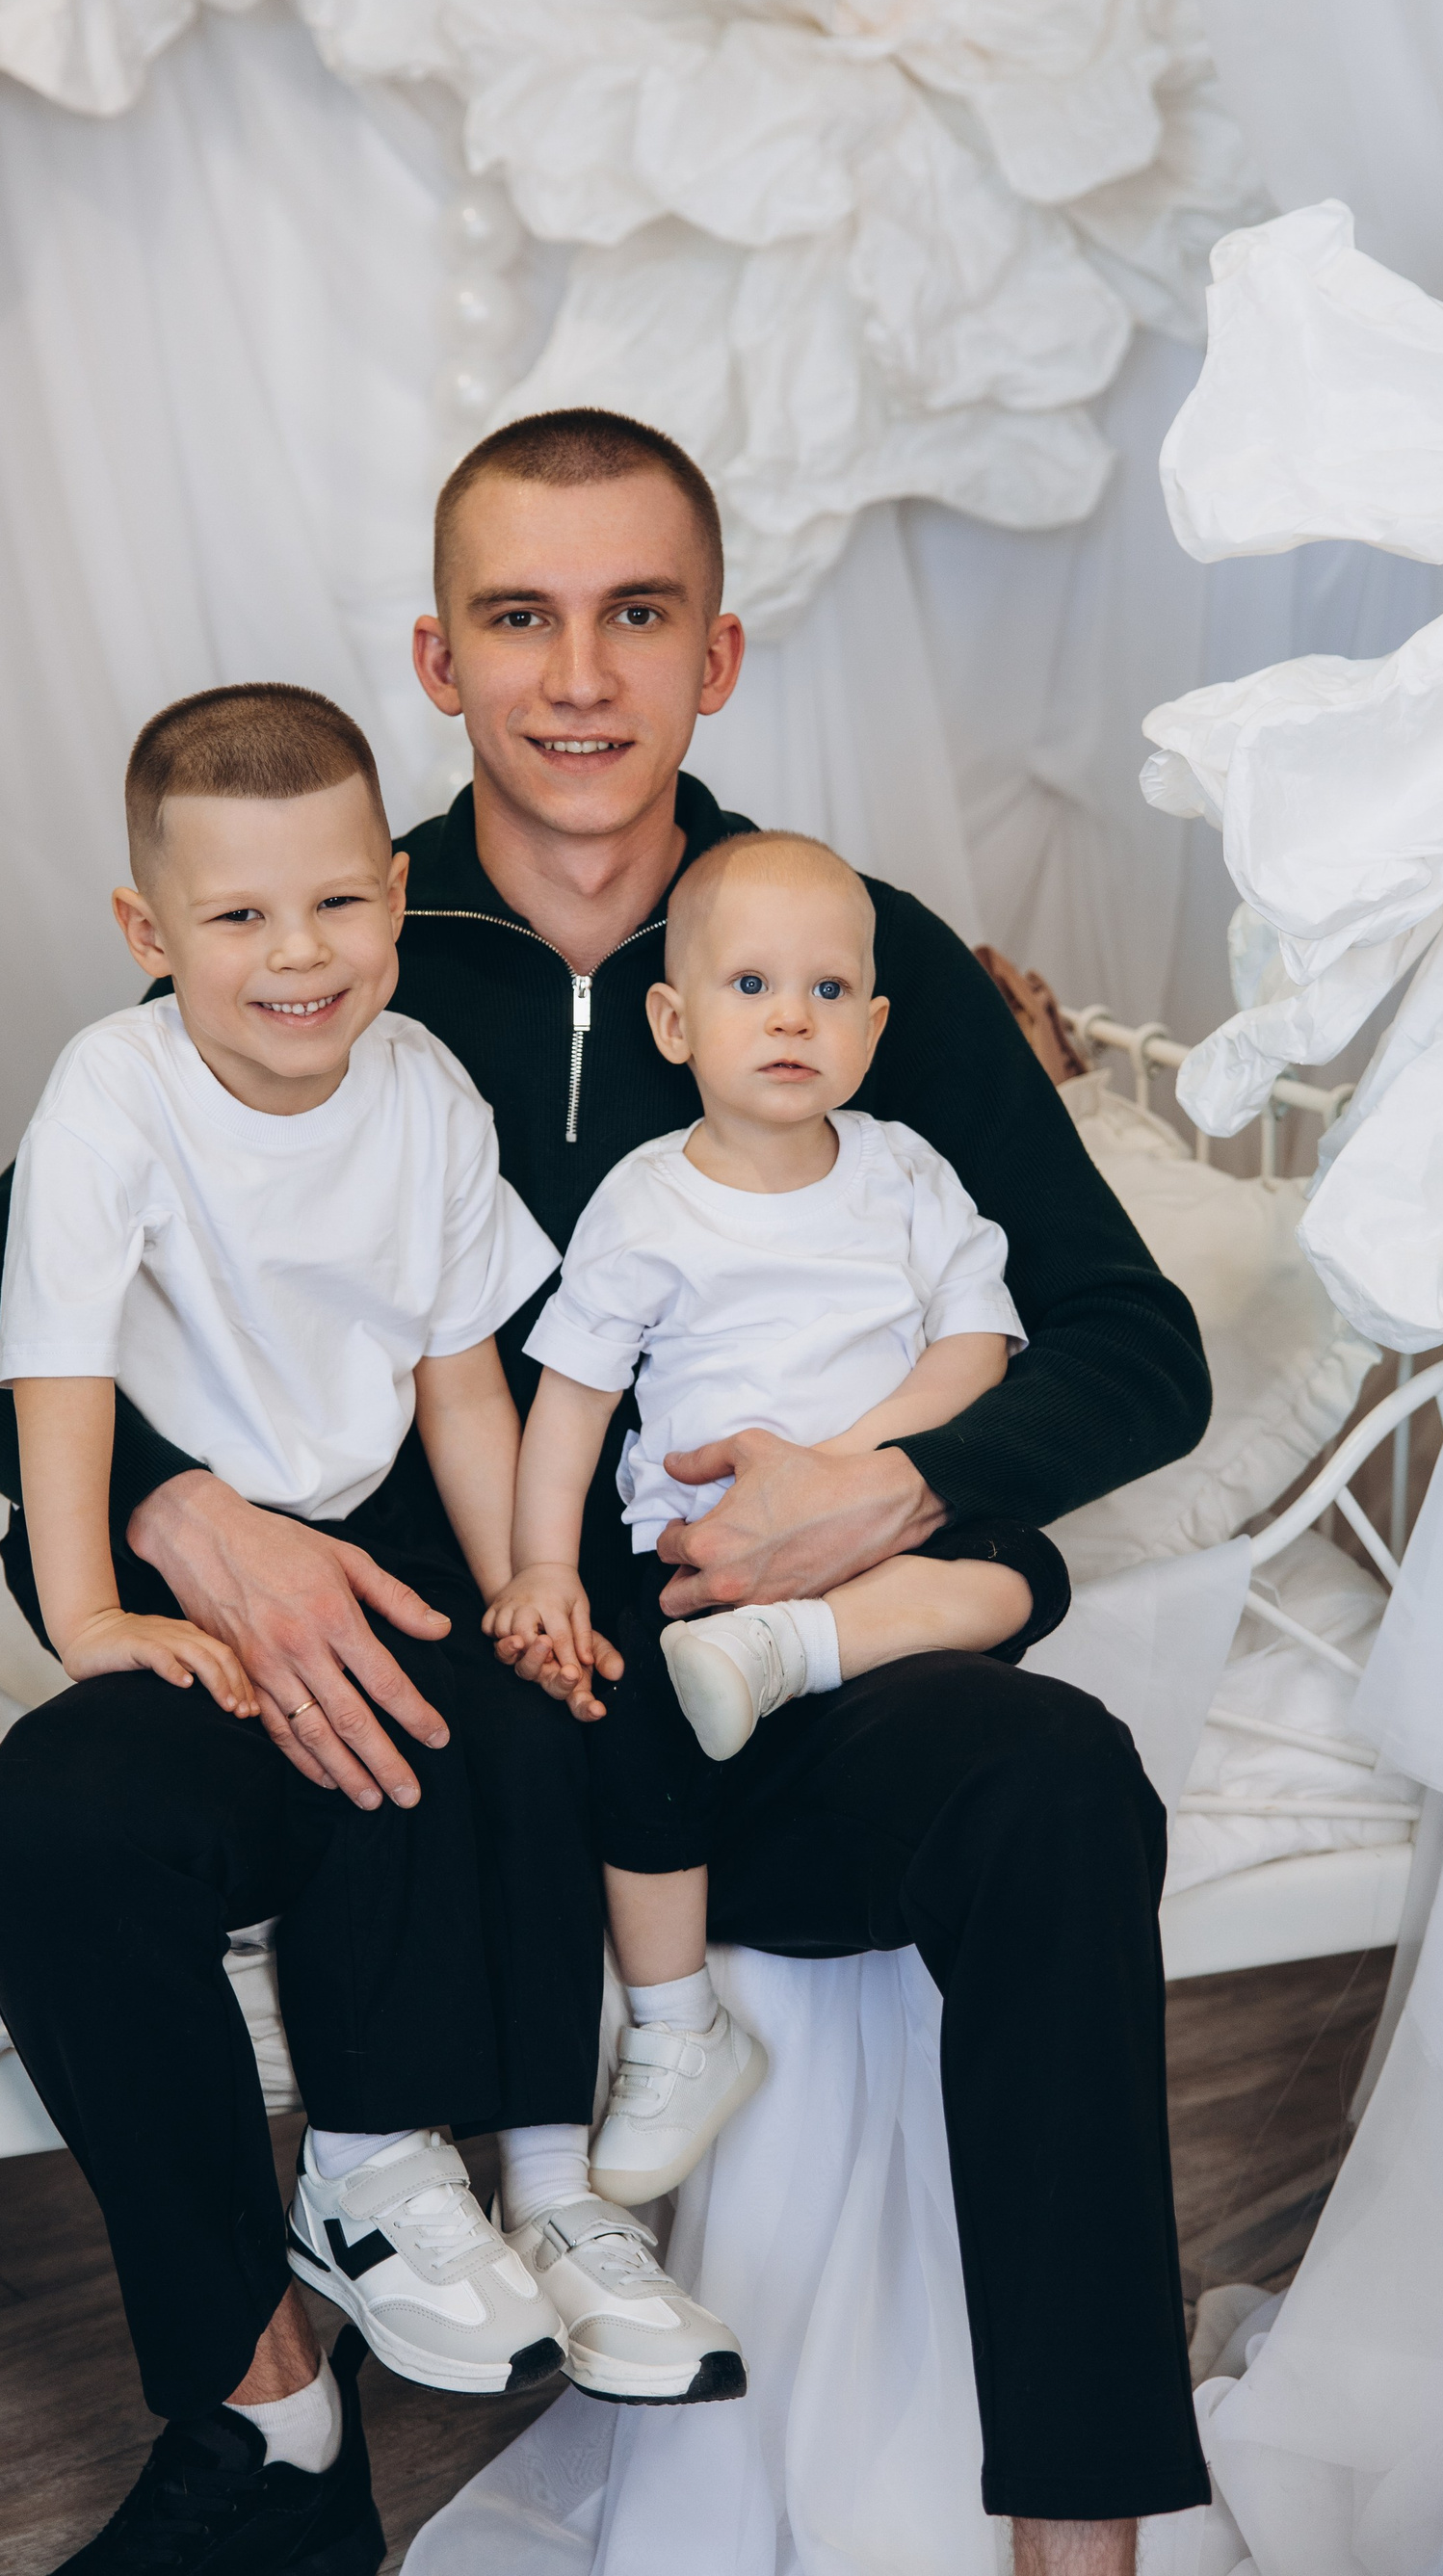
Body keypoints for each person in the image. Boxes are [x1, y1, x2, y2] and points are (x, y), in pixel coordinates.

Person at [0, 406, 1215, 2576]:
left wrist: (887, 1491)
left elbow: (1132, 1345)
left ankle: (1082, 2536)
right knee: (54, 1829)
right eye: (520, 618)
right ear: (440, 659)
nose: (579, 677)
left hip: (744, 1675)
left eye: (638, 614)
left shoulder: (837, 944)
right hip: (409, 1684)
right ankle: (267, 2430)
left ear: (720, 655)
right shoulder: (334, 932)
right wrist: (185, 1511)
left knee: (1058, 1791)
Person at [0, 680, 744, 2575]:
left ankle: (494, 2189)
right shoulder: (115, 1089)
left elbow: (462, 1383)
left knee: (512, 1719)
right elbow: (56, 1365)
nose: (297, 955)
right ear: (150, 933)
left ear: (393, 896)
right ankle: (269, 2389)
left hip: (385, 1542)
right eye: (237, 917)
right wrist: (89, 1608)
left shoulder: (425, 1093)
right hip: (179, 1574)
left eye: (332, 904)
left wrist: (525, 1584)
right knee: (56, 1830)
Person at [483, 827, 1072, 2208]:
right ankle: (678, 2030)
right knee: (628, 1726)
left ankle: (790, 1652)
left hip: (880, 1544)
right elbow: (569, 1406)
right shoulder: (646, 1201)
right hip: (697, 1560)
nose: (792, 1019)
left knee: (1024, 1571)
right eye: (751, 987)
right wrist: (540, 1568)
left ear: (873, 1028)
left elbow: (975, 1350)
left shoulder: (905, 1174)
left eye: (828, 991)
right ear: (674, 1023)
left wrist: (830, 1471)